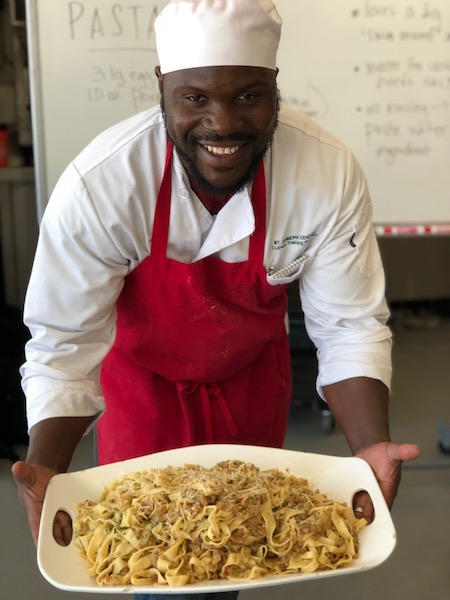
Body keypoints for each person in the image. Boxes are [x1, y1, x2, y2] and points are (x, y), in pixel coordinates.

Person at [12, 1, 420, 599]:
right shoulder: (103, 185)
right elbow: (63, 345)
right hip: (144, 394)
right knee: (144, 562)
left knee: (236, 555)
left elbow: (350, 324)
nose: (223, 123)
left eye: (249, 96)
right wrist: (49, 466)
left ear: (275, 87)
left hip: (248, 386)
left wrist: (367, 449)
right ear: (161, 86)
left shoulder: (325, 173)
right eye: (195, 98)